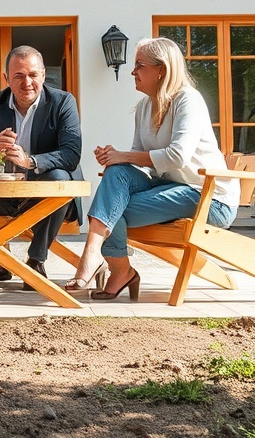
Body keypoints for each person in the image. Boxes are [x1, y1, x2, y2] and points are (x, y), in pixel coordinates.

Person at [65, 37, 238, 301]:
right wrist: (115, 158)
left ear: (161, 70)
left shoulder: (188, 100)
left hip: (208, 196)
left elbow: (177, 156)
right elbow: (137, 155)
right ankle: (109, 263)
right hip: (171, 186)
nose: (133, 72)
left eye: (139, 65)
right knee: (115, 174)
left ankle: (108, 264)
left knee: (111, 208)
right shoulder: (144, 107)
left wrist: (123, 156)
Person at [0, 45, 83, 290]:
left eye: (33, 75)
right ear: (6, 79)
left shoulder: (63, 102)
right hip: (1, 194)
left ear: (43, 74)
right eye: (19, 76)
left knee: (59, 178)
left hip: (45, 199)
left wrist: (30, 161)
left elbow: (71, 154)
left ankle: (36, 261)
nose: (27, 82)